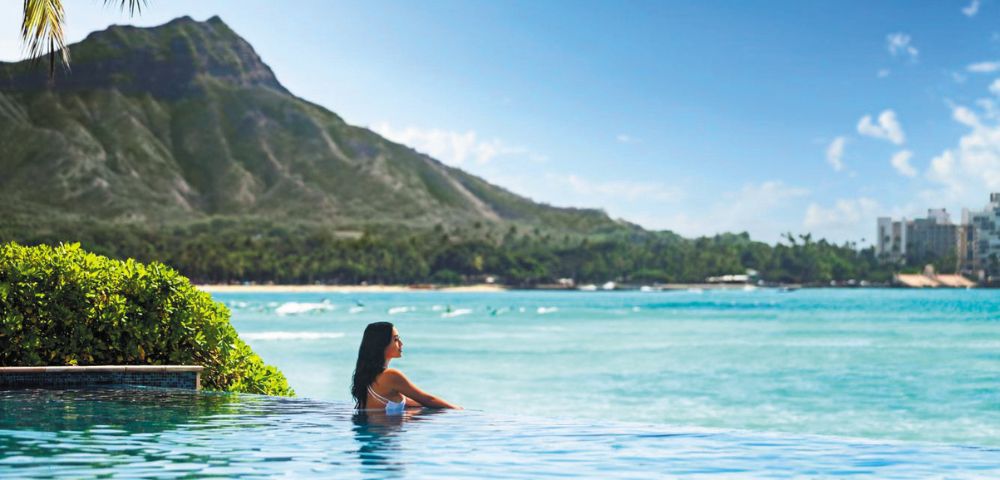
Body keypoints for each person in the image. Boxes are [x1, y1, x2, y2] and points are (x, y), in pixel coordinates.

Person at [351, 321, 461, 413]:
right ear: (381, 344)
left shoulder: (368, 377)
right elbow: (427, 399)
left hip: (373, 435)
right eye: (396, 339)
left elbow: (414, 402)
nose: (401, 343)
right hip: (384, 436)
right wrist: (458, 410)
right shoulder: (390, 376)